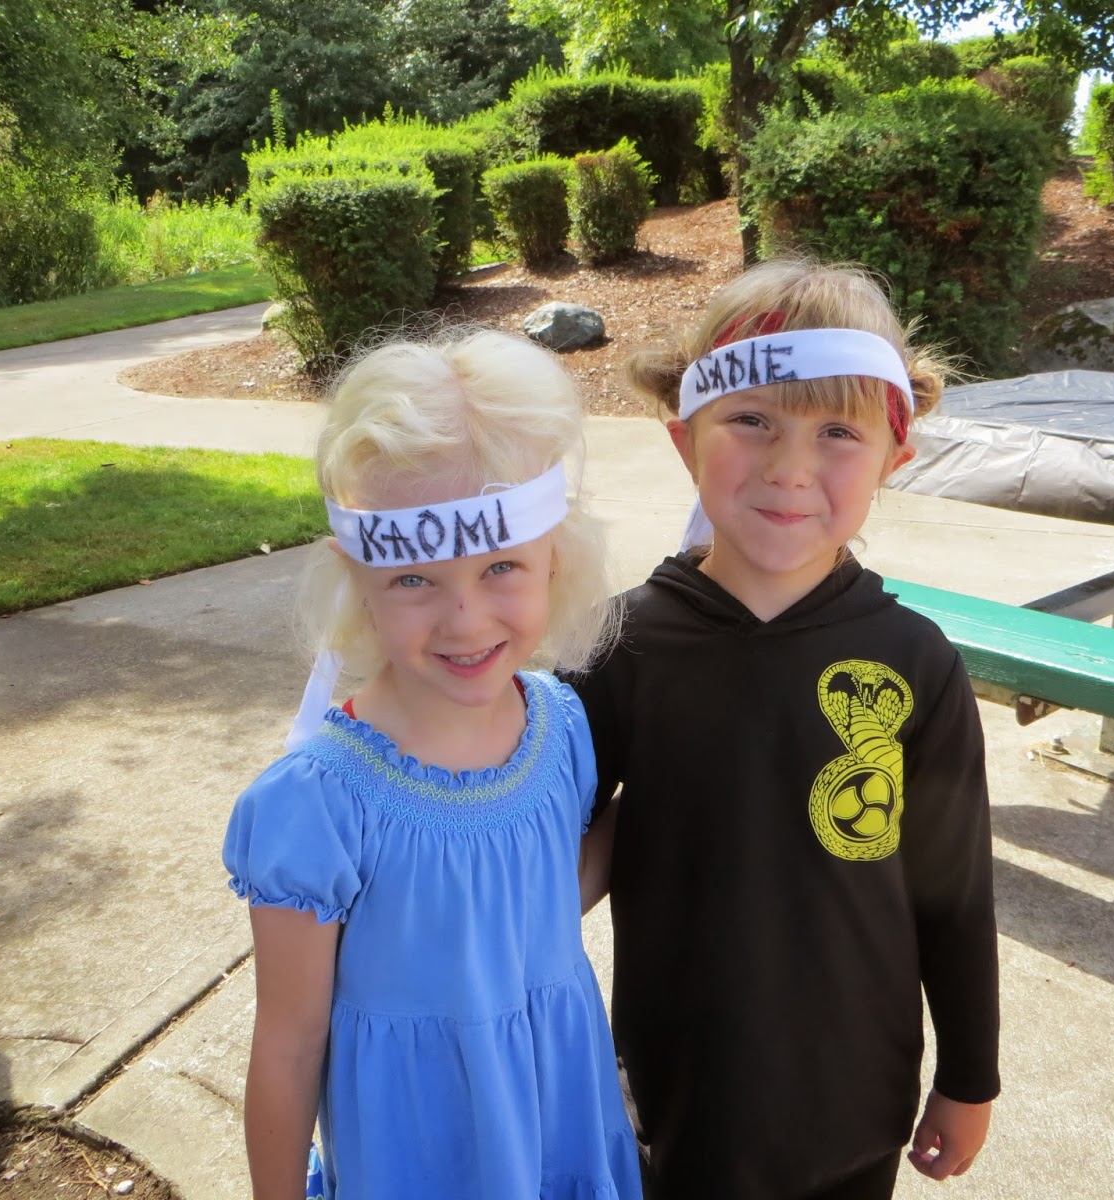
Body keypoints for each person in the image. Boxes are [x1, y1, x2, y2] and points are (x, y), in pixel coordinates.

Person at [571, 258, 1000, 1199]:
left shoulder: (917, 663)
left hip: (854, 1109)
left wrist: (969, 1076)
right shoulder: (614, 649)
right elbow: (537, 855)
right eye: (752, 420)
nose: (790, 467)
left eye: (838, 431)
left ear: (893, 458)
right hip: (673, 1104)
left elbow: (955, 893)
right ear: (686, 441)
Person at [224, 329, 642, 1200]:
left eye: (501, 567)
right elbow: (289, 1044)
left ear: (554, 556)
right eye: (415, 579)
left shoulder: (559, 727)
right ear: (357, 576)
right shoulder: (320, 804)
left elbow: (533, 901)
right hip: (420, 1150)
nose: (465, 619)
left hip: (556, 1116)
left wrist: (668, 791)